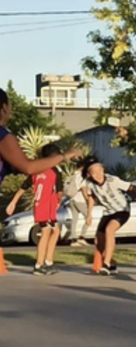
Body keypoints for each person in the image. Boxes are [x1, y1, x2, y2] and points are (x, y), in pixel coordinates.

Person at [81, 157, 136, 276]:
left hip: (122, 210)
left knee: (109, 230)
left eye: (99, 171)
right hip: (107, 212)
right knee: (99, 242)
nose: (98, 175)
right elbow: (91, 198)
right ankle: (112, 264)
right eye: (94, 172)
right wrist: (89, 214)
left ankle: (105, 264)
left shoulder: (113, 180)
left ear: (103, 170)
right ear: (89, 174)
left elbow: (135, 188)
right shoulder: (89, 184)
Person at [5, 144, 65, 275]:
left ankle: (48, 261)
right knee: (46, 231)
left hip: (39, 204)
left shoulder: (37, 170)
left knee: (55, 230)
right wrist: (59, 200)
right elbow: (59, 192)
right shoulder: (55, 171)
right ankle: (39, 264)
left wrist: (13, 202)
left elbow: (24, 187)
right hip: (47, 205)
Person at [0, 88, 81, 184]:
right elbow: (28, 167)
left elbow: (18, 167)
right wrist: (65, 156)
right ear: (5, 107)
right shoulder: (3, 136)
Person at [64, 162, 92, 246]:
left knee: (74, 219)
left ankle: (73, 240)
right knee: (89, 217)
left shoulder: (72, 176)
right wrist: (88, 199)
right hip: (80, 200)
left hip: (71, 200)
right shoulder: (81, 176)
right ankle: (82, 237)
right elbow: (83, 189)